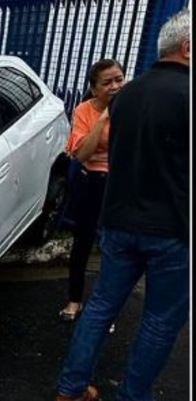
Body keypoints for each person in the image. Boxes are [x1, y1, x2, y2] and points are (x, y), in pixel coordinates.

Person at [54, 8, 190, 401]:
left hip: (118, 220)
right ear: (187, 48)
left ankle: (71, 391)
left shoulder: (126, 96)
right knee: (160, 318)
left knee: (99, 308)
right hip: (171, 227)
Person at [58, 59, 126, 321]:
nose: (115, 86)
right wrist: (104, 118)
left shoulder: (131, 107)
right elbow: (81, 154)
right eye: (107, 82)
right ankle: (74, 301)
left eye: (119, 79)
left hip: (120, 185)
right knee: (83, 243)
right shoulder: (84, 111)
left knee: (113, 248)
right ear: (93, 88)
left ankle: (105, 311)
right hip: (91, 182)